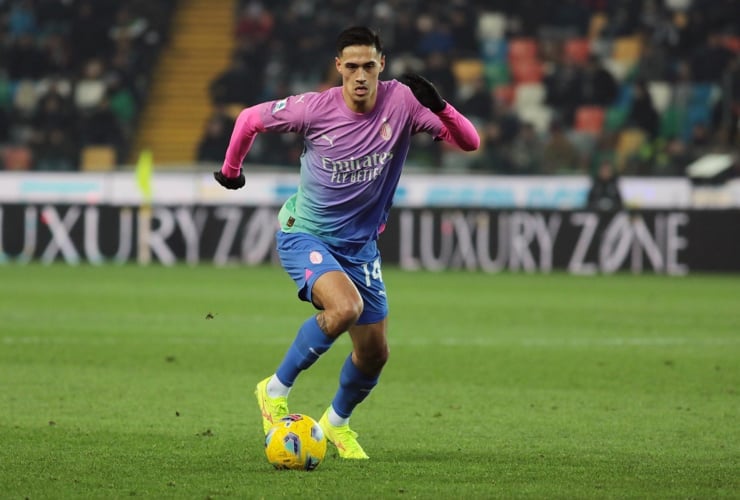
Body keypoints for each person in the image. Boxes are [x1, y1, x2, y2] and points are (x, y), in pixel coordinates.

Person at [213, 26, 479, 459]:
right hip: (306, 233)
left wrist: (442, 107)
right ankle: (274, 389)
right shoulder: (314, 108)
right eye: (351, 66)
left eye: (368, 66)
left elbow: (470, 142)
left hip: (361, 249)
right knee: (345, 308)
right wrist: (231, 171)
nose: (360, 75)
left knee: (374, 354)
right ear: (338, 67)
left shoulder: (405, 103)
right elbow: (248, 120)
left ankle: (335, 424)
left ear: (382, 66)